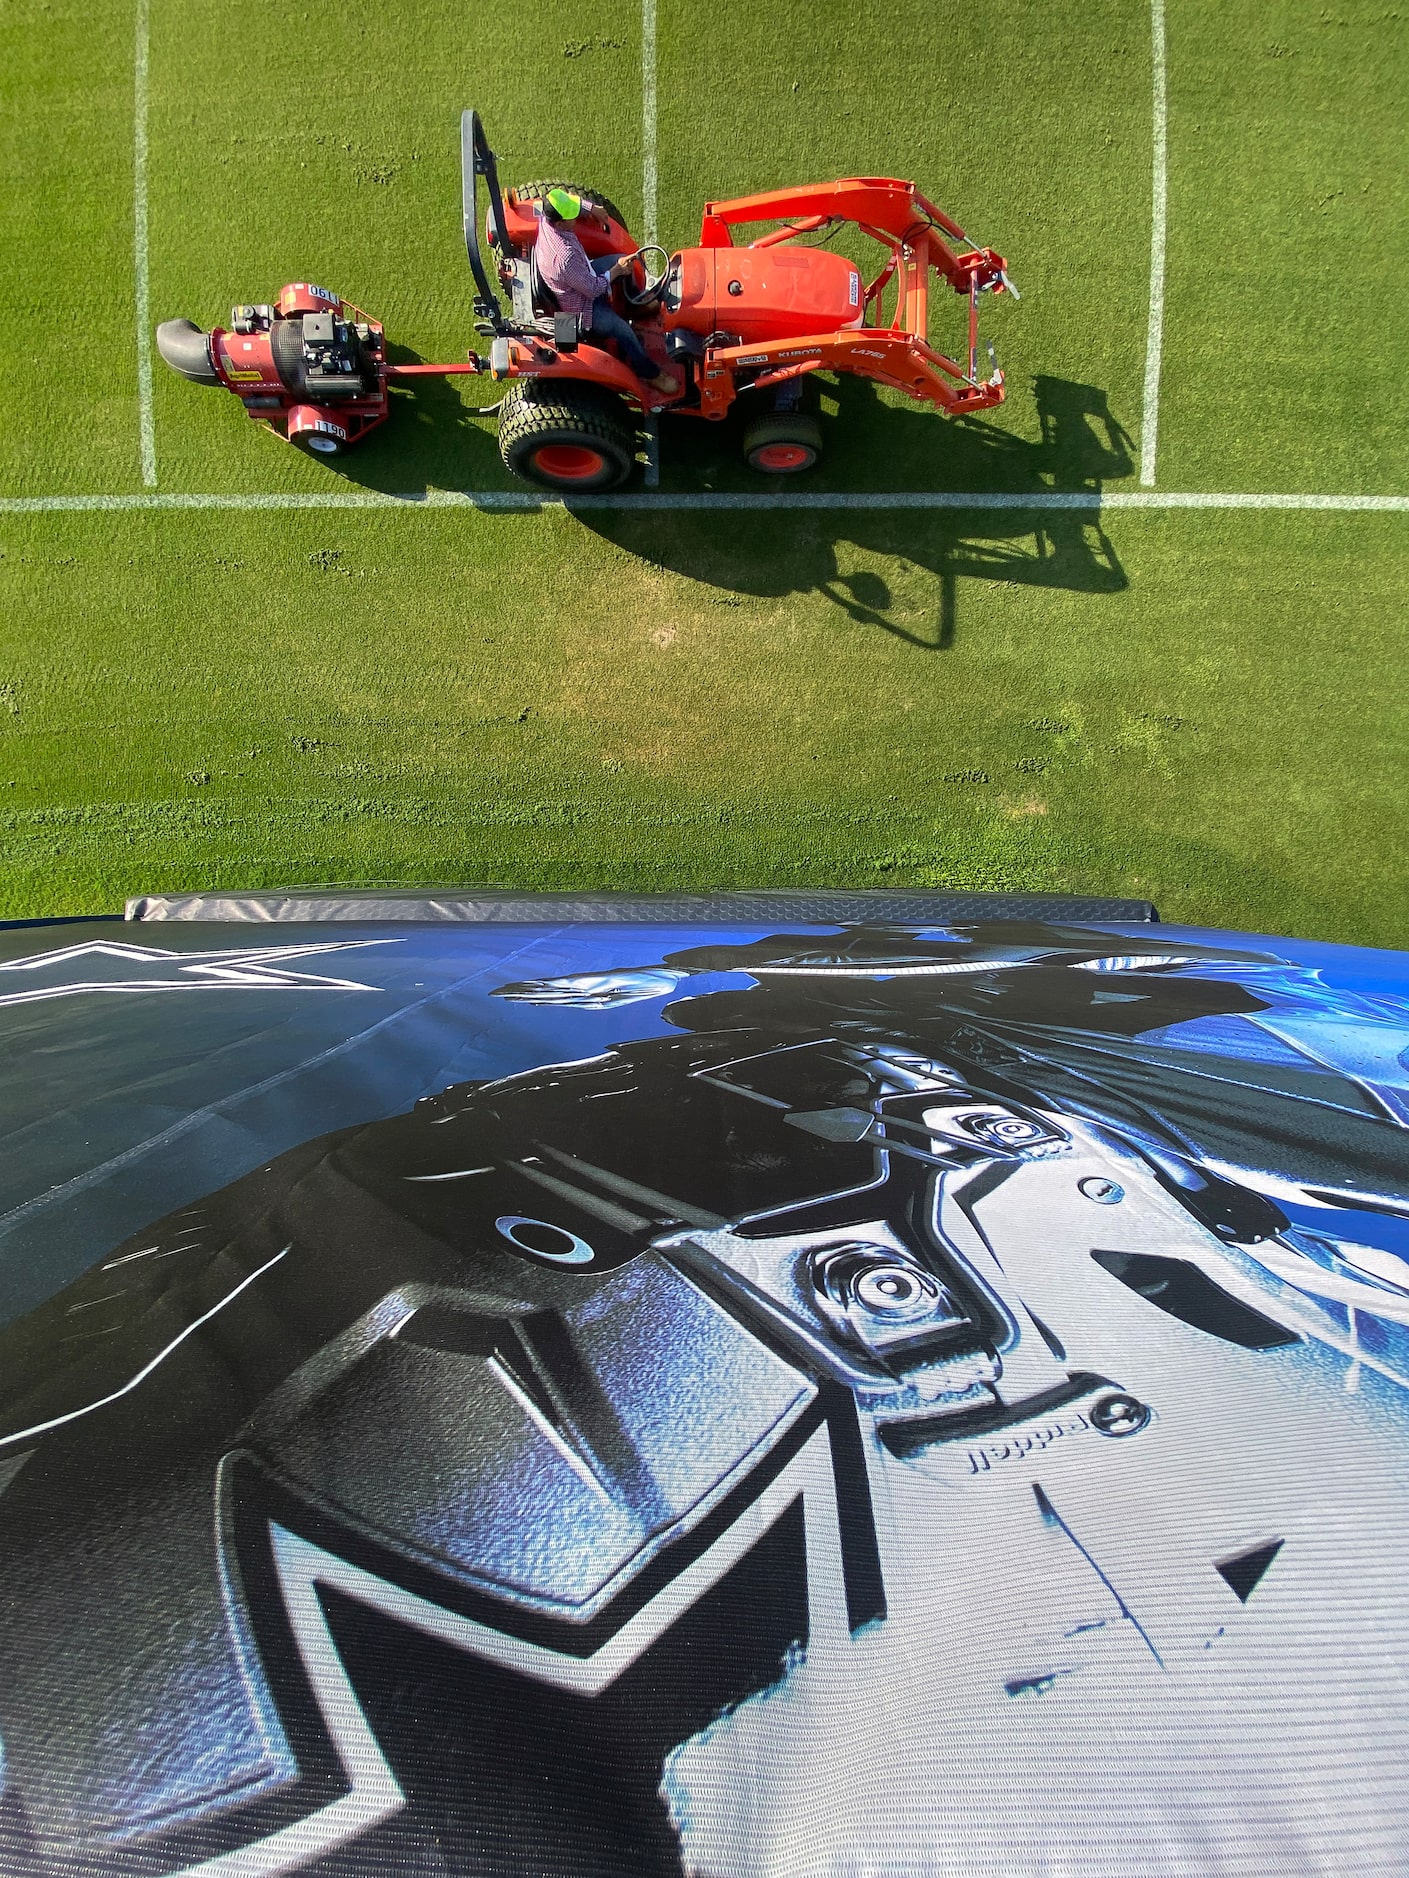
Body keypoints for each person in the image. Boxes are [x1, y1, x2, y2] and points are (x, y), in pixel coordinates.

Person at [534, 187, 680, 395]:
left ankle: (635, 305)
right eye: (572, 217)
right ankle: (649, 372)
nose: (576, 219)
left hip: (583, 274)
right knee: (624, 331)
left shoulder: (546, 214)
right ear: (559, 223)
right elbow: (593, 289)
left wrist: (591, 208)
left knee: (623, 260)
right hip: (582, 307)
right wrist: (616, 271)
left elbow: (572, 204)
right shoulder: (563, 259)